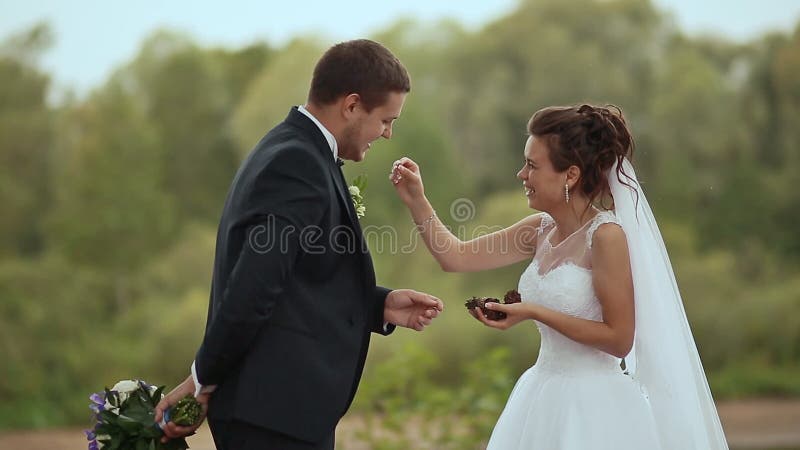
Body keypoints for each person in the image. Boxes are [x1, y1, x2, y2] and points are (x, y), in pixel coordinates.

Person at [154, 39, 444, 450]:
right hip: (272, 416)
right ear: (351, 105)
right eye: (385, 120)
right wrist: (201, 379)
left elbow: (297, 280)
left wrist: (377, 304)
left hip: (280, 414)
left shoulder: (294, 150)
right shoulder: (297, 163)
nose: (388, 133)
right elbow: (253, 288)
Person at [390, 104, 728, 449]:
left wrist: (534, 311)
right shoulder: (539, 230)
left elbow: (619, 339)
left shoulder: (606, 236)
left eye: (532, 166)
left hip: (594, 407)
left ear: (570, 175)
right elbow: (455, 257)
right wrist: (417, 199)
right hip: (542, 394)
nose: (521, 174)